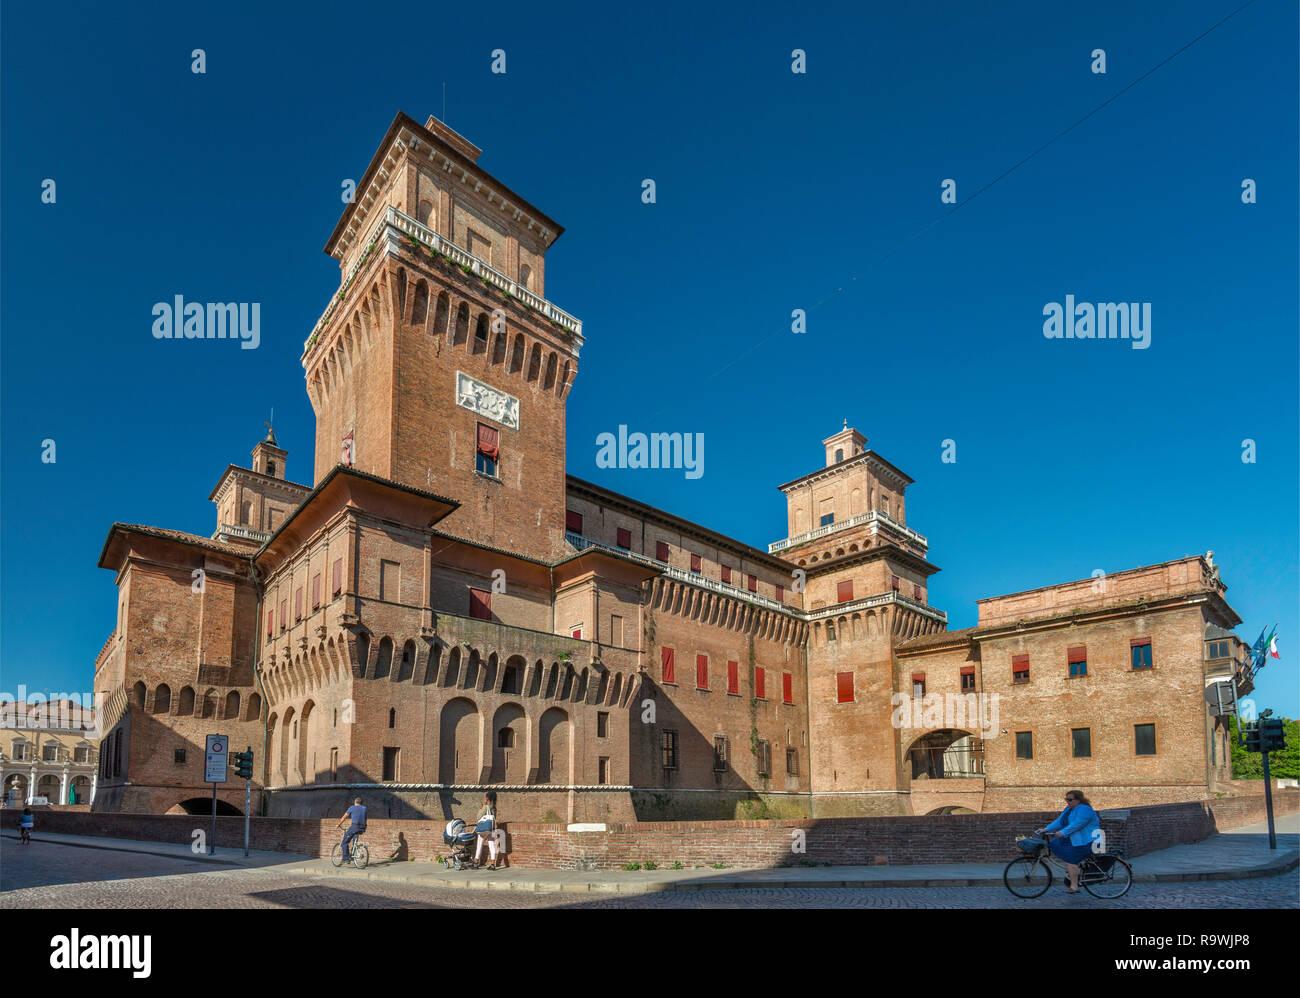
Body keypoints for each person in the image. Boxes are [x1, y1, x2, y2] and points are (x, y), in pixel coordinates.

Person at [1036, 790, 1101, 893]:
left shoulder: (1085, 809)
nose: (1068, 802)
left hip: (1089, 841)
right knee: (1054, 844)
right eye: (1066, 799)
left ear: (1078, 800)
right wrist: (1046, 829)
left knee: (1070, 858)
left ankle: (1074, 885)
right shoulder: (1069, 809)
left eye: (1070, 800)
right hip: (1074, 839)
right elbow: (1060, 821)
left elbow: (1078, 824)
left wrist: (1063, 832)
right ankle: (1073, 868)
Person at [473, 791, 499, 870]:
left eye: (485, 797)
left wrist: (480, 808)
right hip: (491, 828)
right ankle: (493, 864)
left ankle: (476, 862)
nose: (484, 798)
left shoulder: (485, 807)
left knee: (479, 845)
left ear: (487, 798)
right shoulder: (494, 808)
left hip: (483, 830)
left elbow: (478, 817)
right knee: (492, 845)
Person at [337, 797, 367, 862]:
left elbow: (344, 817)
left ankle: (346, 859)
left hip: (354, 827)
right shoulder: (365, 808)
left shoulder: (352, 807)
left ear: (355, 802)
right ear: (361, 803)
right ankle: (353, 853)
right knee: (354, 838)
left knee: (344, 842)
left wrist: (339, 824)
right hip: (363, 828)